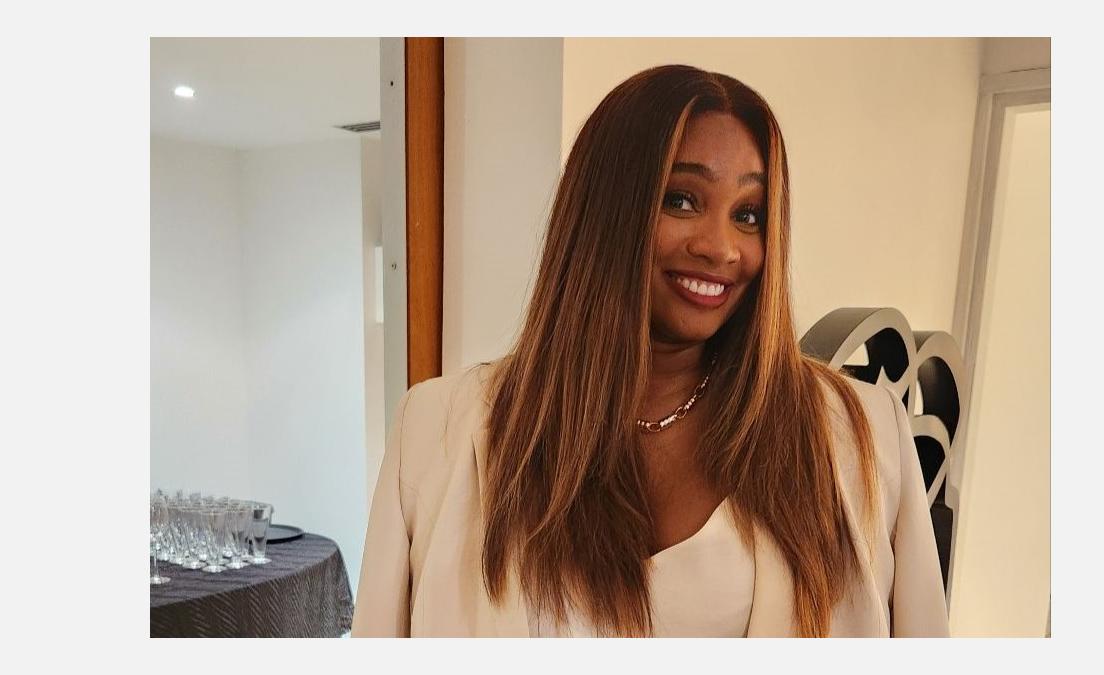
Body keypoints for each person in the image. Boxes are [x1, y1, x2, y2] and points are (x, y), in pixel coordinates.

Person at [351, 64, 949, 638]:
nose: (721, 248)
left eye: (749, 215)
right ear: (603, 212)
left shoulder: (859, 437)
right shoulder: (436, 433)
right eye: (682, 200)